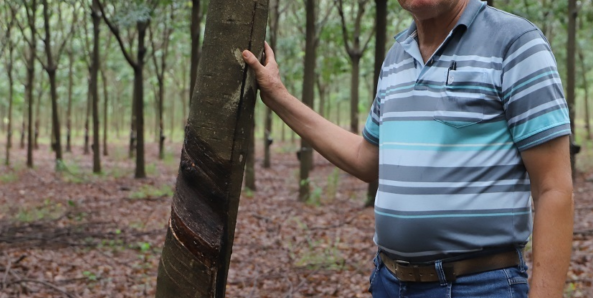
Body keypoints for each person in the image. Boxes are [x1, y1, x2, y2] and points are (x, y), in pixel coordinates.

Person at [242, 0, 573, 297]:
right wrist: (276, 95)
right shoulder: (397, 57)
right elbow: (367, 159)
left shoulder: (514, 43)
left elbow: (553, 187)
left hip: (479, 286)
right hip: (390, 282)